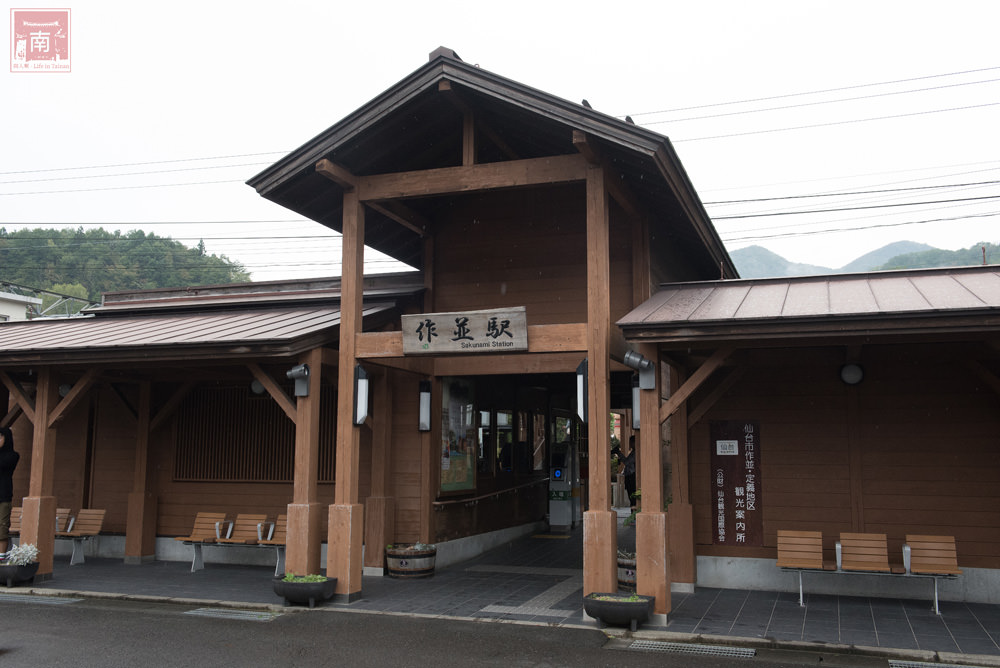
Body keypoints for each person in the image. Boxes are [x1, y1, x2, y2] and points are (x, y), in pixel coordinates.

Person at [0, 426, 20, 556]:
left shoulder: (12, 456)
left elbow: (3, 465)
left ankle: (1, 555)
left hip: (3, 496)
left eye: (0, 437)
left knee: (2, 527)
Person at [623, 435, 637, 508]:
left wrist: (619, 453)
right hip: (629, 476)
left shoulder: (636, 452)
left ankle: (634, 511)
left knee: (633, 496)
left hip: (633, 476)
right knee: (631, 495)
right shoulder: (632, 452)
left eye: (631, 442)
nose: (630, 444)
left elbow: (627, 462)